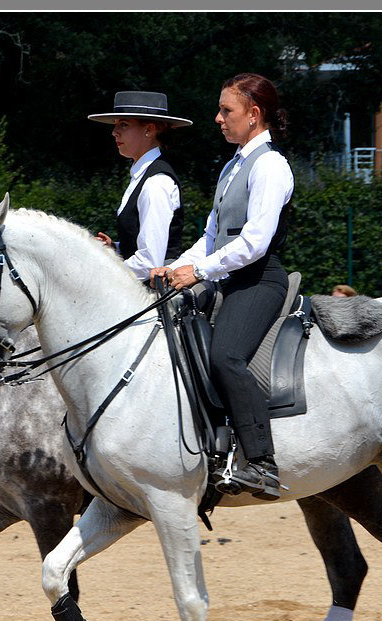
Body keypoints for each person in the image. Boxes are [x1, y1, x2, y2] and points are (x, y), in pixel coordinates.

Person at [151, 72, 293, 499]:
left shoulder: (270, 165)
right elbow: (213, 237)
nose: (217, 118)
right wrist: (176, 267)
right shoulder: (232, 166)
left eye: (226, 110)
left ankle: (263, 464)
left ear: (254, 115)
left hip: (259, 278)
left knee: (226, 355)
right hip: (228, 276)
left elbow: (253, 242)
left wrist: (200, 272)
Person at [88, 91, 192, 280]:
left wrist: (100, 275)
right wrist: (116, 248)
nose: (114, 132)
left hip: (153, 297)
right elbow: (142, 246)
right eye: (116, 125)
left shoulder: (156, 182)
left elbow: (149, 262)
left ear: (149, 130)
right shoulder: (141, 175)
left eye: (124, 124)